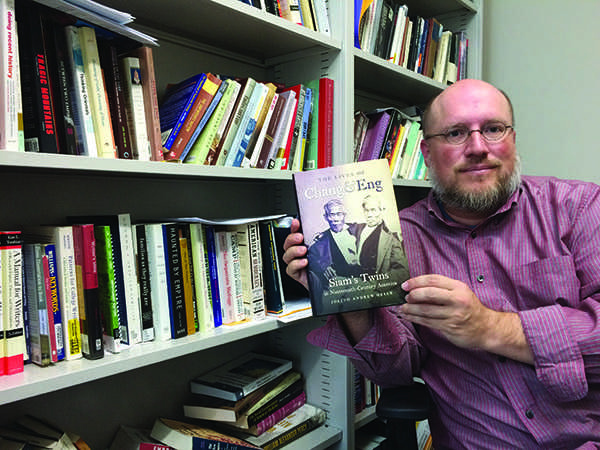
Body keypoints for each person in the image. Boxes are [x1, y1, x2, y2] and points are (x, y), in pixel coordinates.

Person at [282, 79, 600, 449]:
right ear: (427, 153)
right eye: (455, 133)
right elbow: (392, 372)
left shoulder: (579, 208)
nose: (478, 147)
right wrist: (341, 294)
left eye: (494, 129)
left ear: (512, 139)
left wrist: (489, 327)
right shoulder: (399, 237)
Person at [307, 199, 360, 300]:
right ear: (326, 217)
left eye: (339, 214)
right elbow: (311, 257)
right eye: (332, 215)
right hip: (342, 289)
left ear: (344, 215)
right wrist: (323, 265)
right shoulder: (320, 241)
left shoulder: (360, 229)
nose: (336, 219)